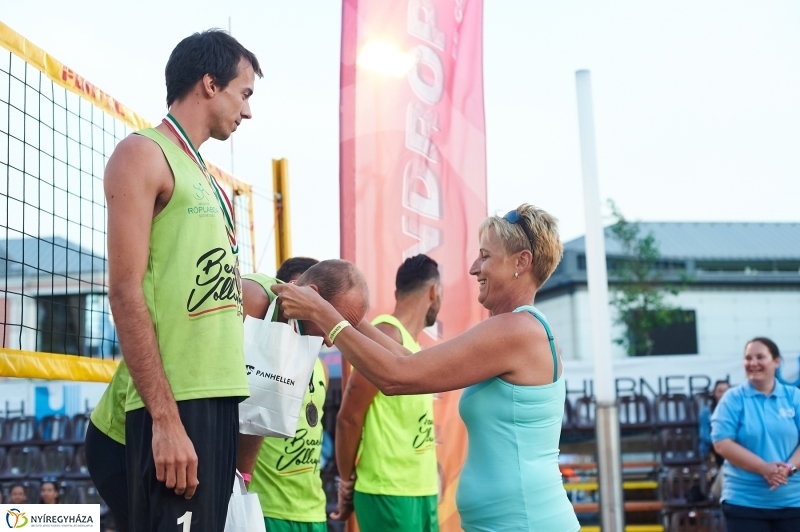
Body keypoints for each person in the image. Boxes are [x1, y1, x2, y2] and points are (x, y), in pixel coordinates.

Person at [273, 204, 581, 532]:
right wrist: (346, 314)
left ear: (521, 261)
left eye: (485, 256)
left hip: (527, 523)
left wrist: (324, 314)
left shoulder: (517, 331)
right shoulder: (515, 331)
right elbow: (408, 361)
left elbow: (396, 376)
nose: (474, 268)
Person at [102, 29, 262, 532]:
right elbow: (125, 290)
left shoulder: (209, 177)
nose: (249, 111)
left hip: (219, 394)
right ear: (210, 84)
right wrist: (166, 421)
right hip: (174, 402)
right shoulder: (142, 153)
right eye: (245, 93)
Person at [237, 260, 368, 532]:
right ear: (312, 295)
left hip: (311, 510)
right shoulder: (254, 297)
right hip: (266, 507)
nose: (332, 342)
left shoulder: (306, 351)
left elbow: (256, 415)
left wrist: (243, 477)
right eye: (333, 322)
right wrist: (240, 485)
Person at [334, 254, 442, 531]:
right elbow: (349, 417)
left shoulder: (411, 347)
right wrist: (346, 481)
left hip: (421, 491)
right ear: (434, 291)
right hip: (388, 491)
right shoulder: (386, 337)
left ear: (397, 292)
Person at [712, 337, 800, 531]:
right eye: (748, 358)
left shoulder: (794, 397)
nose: (753, 363)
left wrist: (788, 468)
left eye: (760, 357)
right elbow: (722, 443)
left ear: (776, 361)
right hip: (745, 503)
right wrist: (763, 468)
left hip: (794, 502)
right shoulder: (732, 399)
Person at [700, 380, 730, 464]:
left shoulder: (737, 410)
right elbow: (704, 435)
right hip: (713, 447)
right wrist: (723, 441)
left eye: (726, 391)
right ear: (714, 393)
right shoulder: (706, 411)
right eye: (720, 391)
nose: (723, 394)